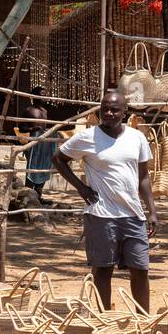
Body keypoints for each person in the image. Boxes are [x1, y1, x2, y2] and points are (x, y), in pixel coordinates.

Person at [53, 90, 158, 313]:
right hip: (101, 215)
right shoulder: (87, 137)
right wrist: (80, 187)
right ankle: (105, 319)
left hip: (133, 215)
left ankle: (144, 319)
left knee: (140, 269)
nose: (108, 113)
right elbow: (58, 158)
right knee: (103, 269)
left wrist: (152, 211)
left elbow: (144, 177)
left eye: (114, 109)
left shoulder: (136, 137)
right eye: (105, 109)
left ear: (125, 112)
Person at [21, 87, 56, 205]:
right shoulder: (28, 110)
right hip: (34, 143)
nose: (44, 97)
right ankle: (28, 196)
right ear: (34, 96)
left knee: (43, 169)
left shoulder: (45, 111)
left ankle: (38, 196)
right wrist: (32, 128)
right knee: (32, 168)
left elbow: (45, 126)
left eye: (45, 94)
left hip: (45, 143)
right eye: (41, 94)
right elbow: (21, 128)